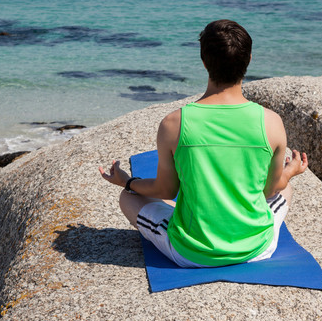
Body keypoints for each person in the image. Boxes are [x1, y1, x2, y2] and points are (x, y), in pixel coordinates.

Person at [98, 19, 308, 267]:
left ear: (203, 60)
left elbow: (166, 191)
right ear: (249, 59)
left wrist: (127, 181)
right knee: (285, 187)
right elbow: (269, 191)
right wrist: (291, 171)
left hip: (192, 253)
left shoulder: (174, 123)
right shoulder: (271, 122)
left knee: (128, 197)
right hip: (256, 248)